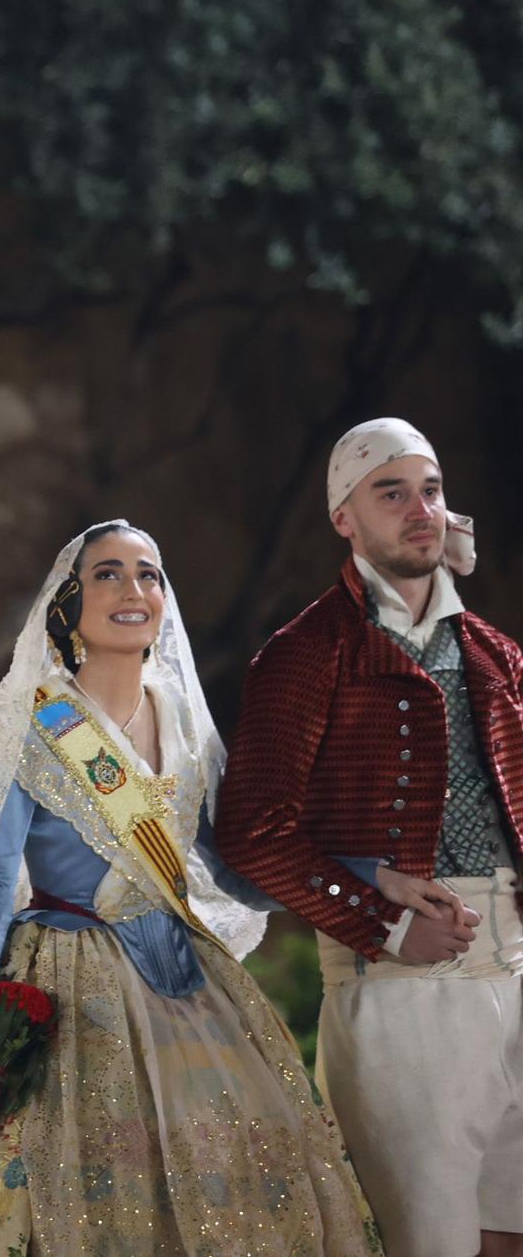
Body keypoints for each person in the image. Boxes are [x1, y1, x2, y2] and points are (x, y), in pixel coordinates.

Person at [0, 521, 380, 1256]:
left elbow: (230, 868)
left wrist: (365, 875)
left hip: (185, 980)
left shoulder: (185, 723)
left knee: (236, 1172)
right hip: (64, 978)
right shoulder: (39, 722)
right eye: (109, 573)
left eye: (148, 574)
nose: (133, 589)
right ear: (69, 602)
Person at [217, 418, 523, 1257]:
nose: (419, 508)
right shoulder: (306, 652)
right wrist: (380, 916)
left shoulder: (498, 654)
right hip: (397, 986)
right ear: (344, 517)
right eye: (390, 492)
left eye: (430, 489)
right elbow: (253, 829)